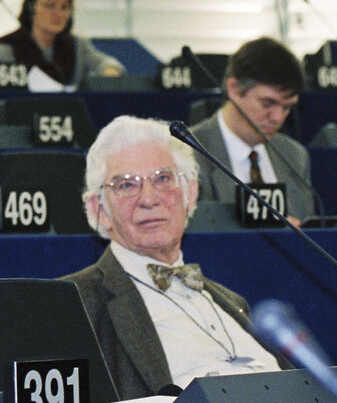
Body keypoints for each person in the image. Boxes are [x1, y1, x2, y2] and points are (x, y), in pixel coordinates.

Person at [60, 116, 288, 398]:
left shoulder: (231, 300)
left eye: (163, 178)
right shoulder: (75, 302)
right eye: (127, 185)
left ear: (190, 195)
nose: (149, 199)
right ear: (100, 210)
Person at [187, 36, 313, 226]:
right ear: (234, 88)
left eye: (287, 107)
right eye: (268, 104)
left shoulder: (295, 155)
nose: (278, 118)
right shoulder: (188, 152)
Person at [0, 0, 123, 87]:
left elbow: (108, 64)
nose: (58, 13)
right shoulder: (6, 48)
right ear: (30, 9)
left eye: (64, 7)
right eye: (50, 6)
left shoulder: (77, 46)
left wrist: (110, 72)